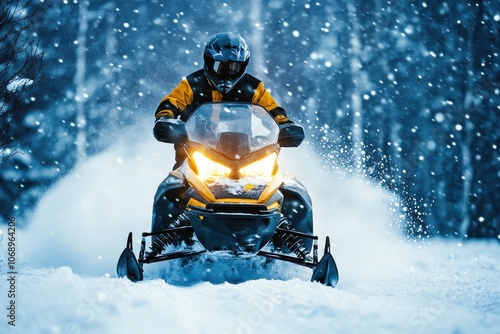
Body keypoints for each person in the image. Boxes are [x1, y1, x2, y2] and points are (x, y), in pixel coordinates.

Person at [150, 32, 311, 250]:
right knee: (171, 191)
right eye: (221, 67)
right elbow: (170, 102)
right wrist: (166, 120)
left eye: (233, 68)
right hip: (195, 155)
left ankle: (296, 246)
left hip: (247, 157)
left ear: (243, 66)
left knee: (291, 191)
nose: (226, 74)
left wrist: (284, 125)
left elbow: (274, 111)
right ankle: (164, 246)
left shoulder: (254, 88)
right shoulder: (192, 84)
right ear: (208, 62)